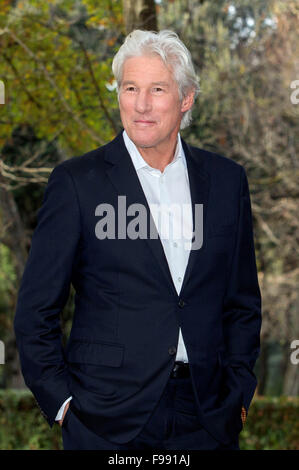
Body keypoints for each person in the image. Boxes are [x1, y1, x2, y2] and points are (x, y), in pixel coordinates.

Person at [14, 30, 262, 450]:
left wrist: (237, 394)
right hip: (105, 420)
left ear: (186, 99)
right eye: (130, 88)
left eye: (157, 89)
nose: (141, 104)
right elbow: (36, 310)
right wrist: (63, 404)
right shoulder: (77, 183)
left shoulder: (226, 181)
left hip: (206, 419)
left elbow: (242, 302)